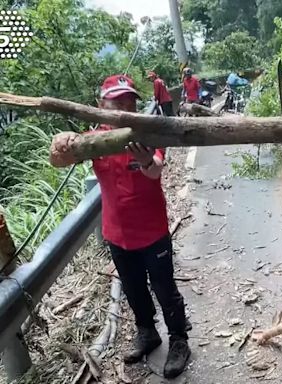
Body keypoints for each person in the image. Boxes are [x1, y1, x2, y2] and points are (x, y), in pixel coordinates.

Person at [48, 74, 191, 378]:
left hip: (152, 231)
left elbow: (156, 171)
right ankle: (147, 333)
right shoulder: (93, 140)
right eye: (117, 101)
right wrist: (63, 140)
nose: (124, 106)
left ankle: (179, 339)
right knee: (134, 288)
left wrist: (145, 161)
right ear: (101, 106)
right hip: (117, 234)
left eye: (129, 101)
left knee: (165, 289)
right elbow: (59, 158)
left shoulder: (148, 132)